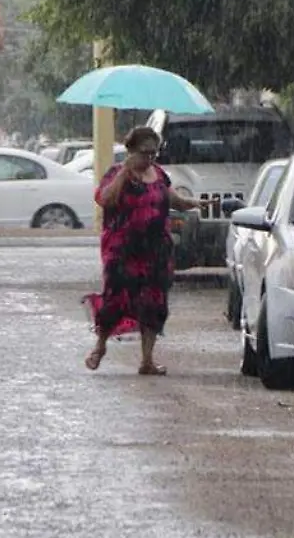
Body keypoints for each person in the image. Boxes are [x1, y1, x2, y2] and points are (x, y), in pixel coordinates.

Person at [84, 126, 214, 375]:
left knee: (154, 303)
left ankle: (147, 360)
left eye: (154, 153)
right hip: (122, 251)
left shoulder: (159, 175)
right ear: (130, 151)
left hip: (156, 250)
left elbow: (173, 200)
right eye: (145, 153)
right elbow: (104, 199)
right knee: (115, 299)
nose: (150, 159)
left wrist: (197, 204)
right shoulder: (116, 174)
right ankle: (99, 347)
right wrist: (124, 172)